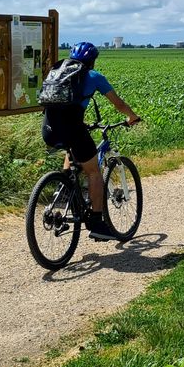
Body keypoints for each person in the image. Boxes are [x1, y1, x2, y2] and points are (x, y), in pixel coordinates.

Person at [41, 41, 141, 239]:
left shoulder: (55, 72)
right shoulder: (93, 76)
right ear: (93, 61)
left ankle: (63, 190)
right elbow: (118, 103)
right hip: (72, 129)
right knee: (94, 172)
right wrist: (132, 117)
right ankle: (96, 223)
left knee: (72, 150)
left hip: (49, 130)